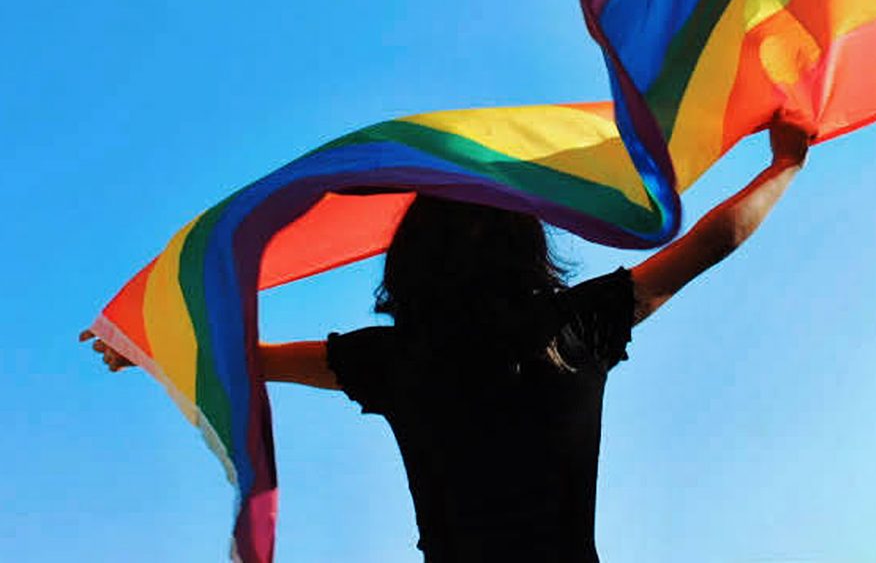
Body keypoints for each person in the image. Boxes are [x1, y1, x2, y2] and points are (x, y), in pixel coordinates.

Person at [83, 117, 809, 562]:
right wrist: (782, 168)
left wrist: (145, 342)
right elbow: (712, 243)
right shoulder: (576, 326)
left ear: (410, 259)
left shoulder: (398, 359)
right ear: (526, 241)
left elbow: (242, 359)